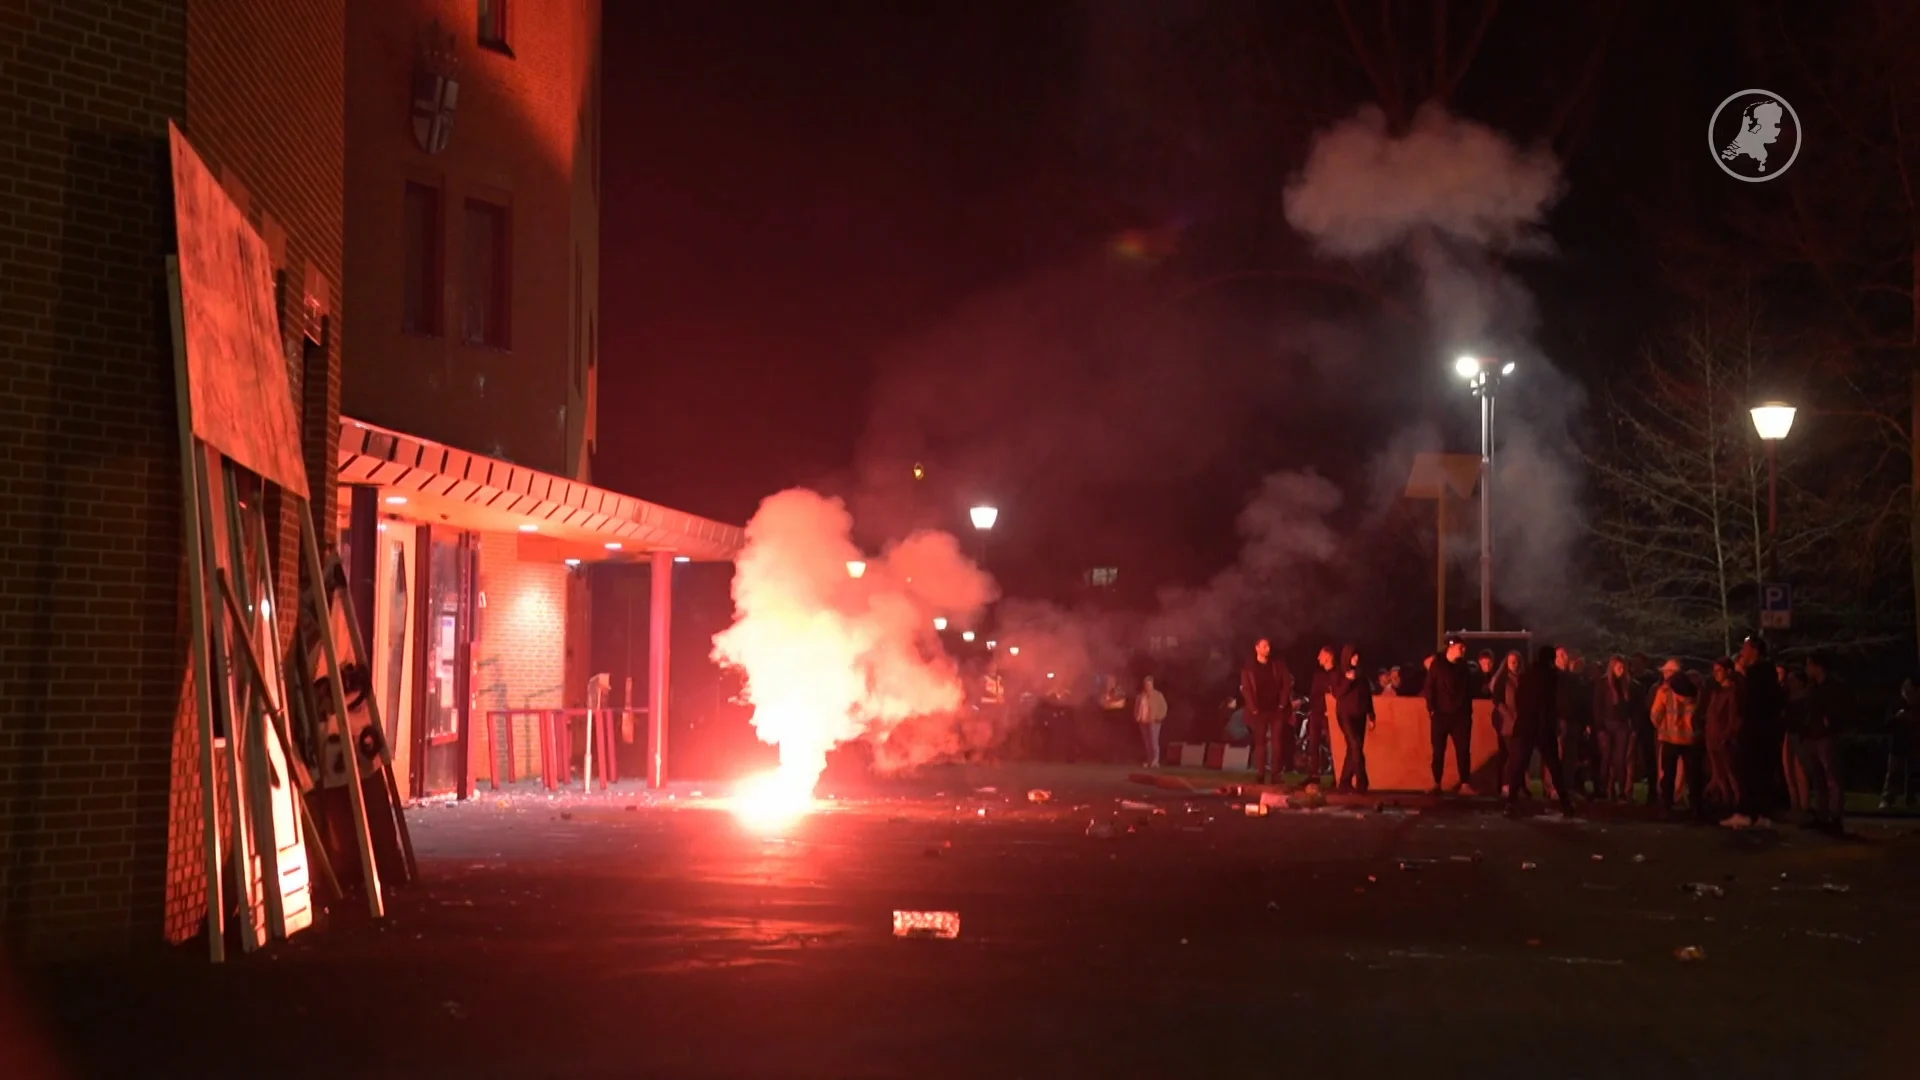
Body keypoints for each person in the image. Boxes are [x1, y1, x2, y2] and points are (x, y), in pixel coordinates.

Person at [1505, 645, 1575, 815]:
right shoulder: (1552, 677)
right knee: (1554, 766)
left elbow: (1519, 700)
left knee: (1520, 765)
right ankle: (1565, 804)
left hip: (1526, 725)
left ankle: (1511, 802)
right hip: (1544, 726)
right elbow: (1552, 702)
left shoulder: (1527, 676)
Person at [1734, 636, 1784, 826]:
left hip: (1757, 730)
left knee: (1753, 770)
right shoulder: (1762, 674)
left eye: (1746, 648)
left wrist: (1743, 675)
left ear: (1754, 650)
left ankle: (1750, 812)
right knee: (1754, 771)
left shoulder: (1759, 674)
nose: (1742, 652)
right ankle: (1757, 812)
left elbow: (1753, 701)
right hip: (1758, 729)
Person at [1649, 657, 1706, 819]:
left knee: (1668, 775)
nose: (1665, 674)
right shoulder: (1695, 689)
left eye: (1667, 671)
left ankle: (1666, 807)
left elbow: (1655, 715)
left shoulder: (1664, 691)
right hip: (1691, 739)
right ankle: (1696, 809)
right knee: (1693, 776)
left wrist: (1662, 727)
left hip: (1669, 738)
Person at [1422, 637, 1476, 795]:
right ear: (1451, 648)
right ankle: (1436, 783)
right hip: (1440, 716)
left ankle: (1465, 783)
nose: (1464, 650)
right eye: (1461, 647)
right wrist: (1432, 709)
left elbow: (1468, 691)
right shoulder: (1437, 665)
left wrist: (1467, 714)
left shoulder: (1464, 667)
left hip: (1460, 717)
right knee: (1438, 751)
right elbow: (1429, 688)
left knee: (1463, 750)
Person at [1239, 638, 1295, 786]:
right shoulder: (1249, 668)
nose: (1268, 649)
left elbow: (1287, 683)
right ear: (1257, 648)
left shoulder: (1277, 665)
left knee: (1277, 743)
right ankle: (1261, 773)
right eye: (1264, 646)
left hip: (1276, 710)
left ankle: (1276, 774)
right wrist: (1253, 708)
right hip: (1259, 711)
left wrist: (1282, 704)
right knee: (1260, 743)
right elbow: (1246, 689)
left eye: (1268, 646)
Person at [1798, 654, 1843, 830]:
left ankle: (1835, 817)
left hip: (1825, 736)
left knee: (1832, 777)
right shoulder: (1813, 688)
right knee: (1818, 778)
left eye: (1809, 665)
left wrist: (1830, 721)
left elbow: (1839, 708)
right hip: (1813, 736)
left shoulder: (1831, 687)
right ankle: (1822, 815)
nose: (1807, 669)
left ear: (1817, 666)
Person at [1705, 658, 1746, 823]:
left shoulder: (1733, 693)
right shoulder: (1717, 692)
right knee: (1719, 773)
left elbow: (1734, 719)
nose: (1715, 674)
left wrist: (1727, 735)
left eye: (1719, 670)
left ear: (1729, 671)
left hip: (1724, 740)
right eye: (1714, 671)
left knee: (1731, 773)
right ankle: (1725, 802)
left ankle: (1738, 804)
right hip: (1713, 738)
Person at [1331, 644, 1376, 793]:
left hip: (1360, 716)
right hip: (1345, 715)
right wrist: (1348, 680)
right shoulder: (1339, 673)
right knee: (1355, 745)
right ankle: (1362, 781)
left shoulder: (1362, 675)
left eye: (1357, 656)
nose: (1356, 658)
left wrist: (1371, 715)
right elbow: (1337, 694)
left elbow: (1367, 696)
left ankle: (1344, 782)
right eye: (1353, 656)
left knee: (1354, 749)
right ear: (1347, 657)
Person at [1595, 656, 1637, 802]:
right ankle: (1605, 789)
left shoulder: (1628, 685)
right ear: (1612, 668)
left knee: (1620, 759)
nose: (1621, 670)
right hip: (1607, 724)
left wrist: (1632, 724)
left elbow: (1632, 707)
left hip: (1622, 726)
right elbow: (1598, 705)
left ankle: (1621, 791)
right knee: (1606, 758)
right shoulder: (1603, 684)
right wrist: (1599, 726)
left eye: (1623, 667)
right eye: (1618, 667)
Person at [1489, 651, 1524, 796]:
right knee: (1512, 755)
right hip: (1507, 724)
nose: (1515, 665)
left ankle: (1515, 785)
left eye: (1517, 662)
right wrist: (1510, 718)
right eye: (1512, 662)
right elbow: (1498, 702)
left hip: (1521, 723)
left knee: (1518, 756)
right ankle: (1506, 784)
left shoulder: (1523, 679)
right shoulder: (1502, 681)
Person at [1304, 646, 1339, 786]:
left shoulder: (1337, 674)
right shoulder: (1318, 675)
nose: (1318, 658)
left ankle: (1338, 775)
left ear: (1329, 656)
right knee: (1313, 744)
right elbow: (1314, 694)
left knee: (1333, 745)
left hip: (1330, 714)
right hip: (1317, 713)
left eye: (1321, 655)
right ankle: (1313, 774)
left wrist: (1331, 710)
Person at [1883, 674, 1919, 808]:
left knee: (1912, 773)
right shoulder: (1897, 704)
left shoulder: (1917, 705)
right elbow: (1887, 723)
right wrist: (1898, 718)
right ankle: (1887, 798)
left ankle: (1910, 798)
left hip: (1914, 743)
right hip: (1898, 744)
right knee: (1893, 773)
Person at [1134, 675, 1169, 769]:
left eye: (1149, 684)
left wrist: (1158, 717)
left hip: (1154, 721)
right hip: (1143, 721)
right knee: (1147, 742)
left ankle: (1155, 760)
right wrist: (1137, 716)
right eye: (1146, 684)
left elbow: (1164, 707)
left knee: (1154, 741)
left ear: (1152, 685)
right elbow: (1137, 707)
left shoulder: (1157, 695)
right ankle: (1149, 760)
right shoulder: (1141, 696)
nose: (1147, 686)